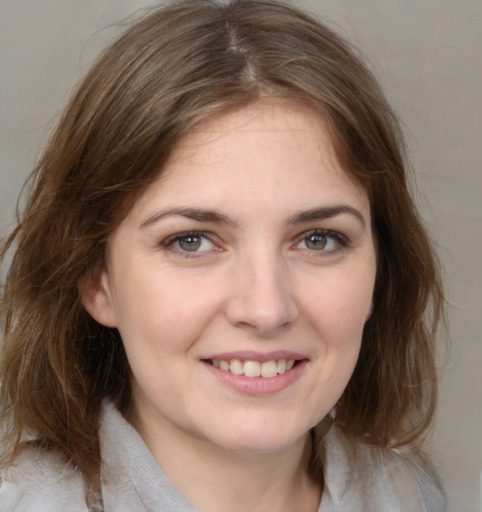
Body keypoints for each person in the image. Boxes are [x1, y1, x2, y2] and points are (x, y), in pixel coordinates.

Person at [0, 1, 446, 510]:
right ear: (97, 280)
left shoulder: (416, 496)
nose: (265, 309)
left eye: (318, 239)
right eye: (191, 241)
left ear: (379, 270)